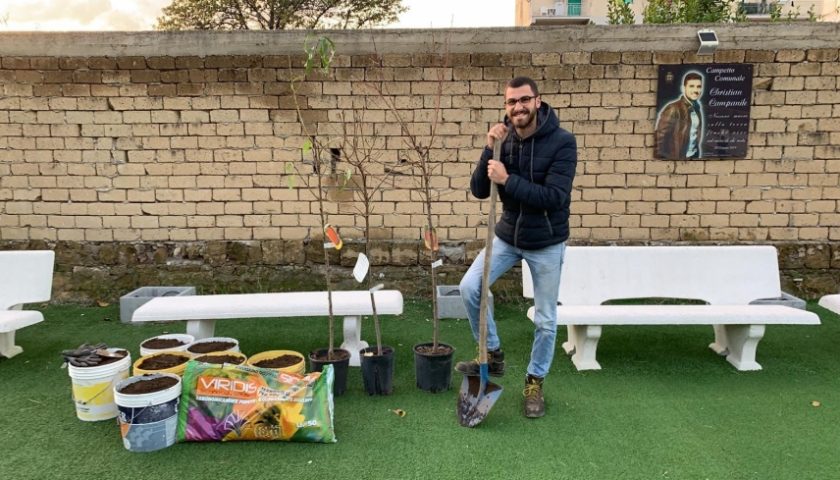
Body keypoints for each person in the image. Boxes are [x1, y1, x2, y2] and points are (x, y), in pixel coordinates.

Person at [455, 76, 577, 418]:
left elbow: (554, 197)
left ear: (538, 101)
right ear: (506, 106)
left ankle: (534, 381)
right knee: (469, 287)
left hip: (547, 242)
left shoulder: (563, 143)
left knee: (546, 320)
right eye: (511, 102)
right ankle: (492, 354)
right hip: (508, 236)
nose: (517, 108)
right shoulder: (503, 140)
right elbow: (480, 190)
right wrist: (487, 149)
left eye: (524, 100)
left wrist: (509, 180)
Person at [655, 71, 704, 160]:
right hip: (677, 158)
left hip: (693, 157)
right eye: (691, 86)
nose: (696, 90)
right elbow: (660, 138)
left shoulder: (697, 108)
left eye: (699, 87)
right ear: (683, 88)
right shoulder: (673, 108)